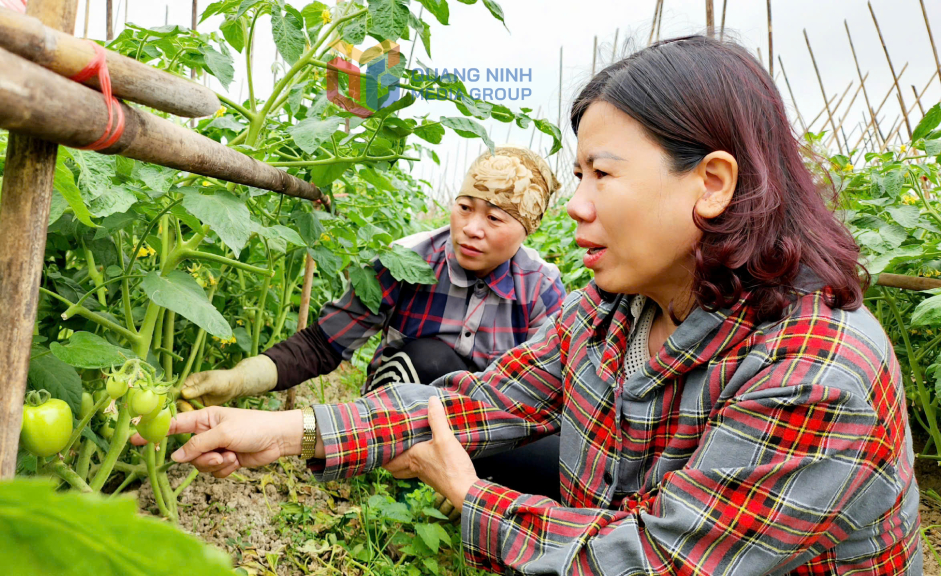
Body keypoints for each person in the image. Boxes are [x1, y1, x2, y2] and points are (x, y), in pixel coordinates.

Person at [148, 36, 921, 574]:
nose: (577, 205)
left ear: (711, 184)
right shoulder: (606, 311)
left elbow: (657, 560)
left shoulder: (817, 370)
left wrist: (469, 495)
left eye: (602, 175)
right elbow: (483, 400)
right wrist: (288, 430)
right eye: (576, 176)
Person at [181, 145, 567, 499]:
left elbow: (541, 400)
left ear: (526, 229)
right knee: (429, 357)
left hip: (488, 418)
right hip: (400, 405)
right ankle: (416, 474)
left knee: (559, 464)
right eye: (465, 207)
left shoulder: (541, 287)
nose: (471, 228)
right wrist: (239, 379)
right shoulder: (406, 260)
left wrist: (468, 479)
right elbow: (323, 343)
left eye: (495, 217)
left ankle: (469, 483)